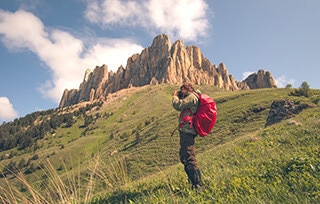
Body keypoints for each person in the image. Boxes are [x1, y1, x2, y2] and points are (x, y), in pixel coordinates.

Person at [172, 82, 204, 190]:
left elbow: (178, 105)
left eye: (182, 90)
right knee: (184, 155)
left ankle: (197, 184)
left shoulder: (192, 97)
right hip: (186, 130)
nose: (181, 92)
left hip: (188, 130)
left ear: (187, 89)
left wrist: (175, 96)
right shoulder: (192, 97)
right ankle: (192, 181)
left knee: (189, 155)